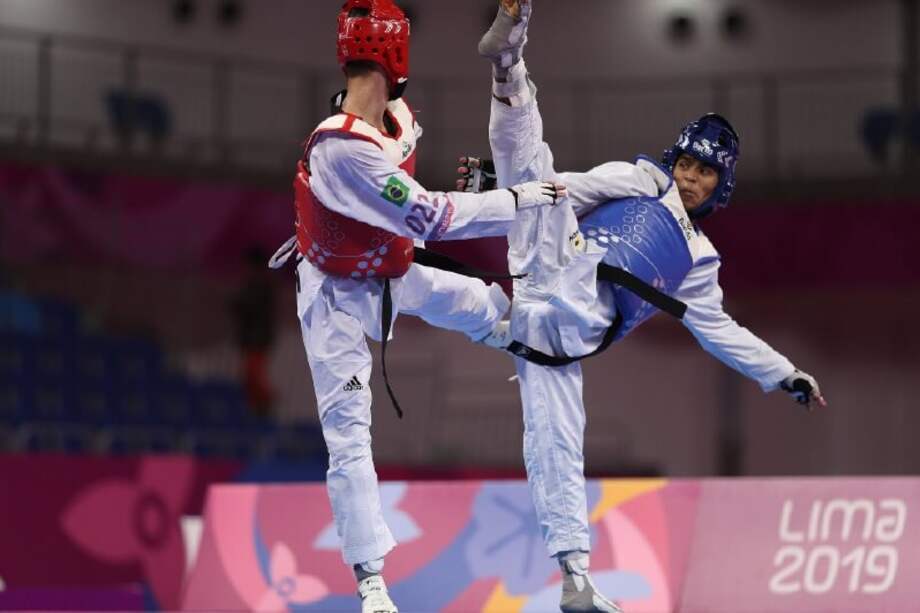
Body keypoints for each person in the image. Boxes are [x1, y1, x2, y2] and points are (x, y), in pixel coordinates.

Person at [465, 2, 826, 611]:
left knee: (556, 447)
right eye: (685, 163)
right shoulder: (641, 180)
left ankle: (575, 581)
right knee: (538, 175)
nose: (690, 177)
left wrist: (783, 373)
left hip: (564, 334)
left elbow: (722, 333)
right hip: (548, 264)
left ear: (721, 185)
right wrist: (496, 190)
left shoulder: (699, 265)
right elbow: (565, 189)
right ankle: (509, 61)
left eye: (705, 172)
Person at [268, 1, 565, 611]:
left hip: (389, 267)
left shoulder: (398, 118)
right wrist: (519, 197)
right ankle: (371, 581)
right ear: (396, 54)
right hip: (335, 298)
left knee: (479, 304)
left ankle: (526, 338)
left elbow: (418, 202)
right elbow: (432, 215)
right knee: (350, 434)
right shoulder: (340, 148)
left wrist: (483, 182)